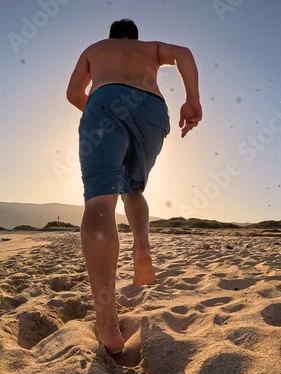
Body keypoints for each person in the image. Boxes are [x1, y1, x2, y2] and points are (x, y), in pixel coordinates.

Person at [66, 19, 203, 355]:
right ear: (134, 37)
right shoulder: (151, 49)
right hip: (152, 109)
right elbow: (184, 53)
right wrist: (192, 99)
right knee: (134, 190)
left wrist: (103, 113)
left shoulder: (94, 50)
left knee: (100, 202)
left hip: (105, 100)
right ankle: (141, 243)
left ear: (112, 36)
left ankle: (108, 325)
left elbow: (72, 94)